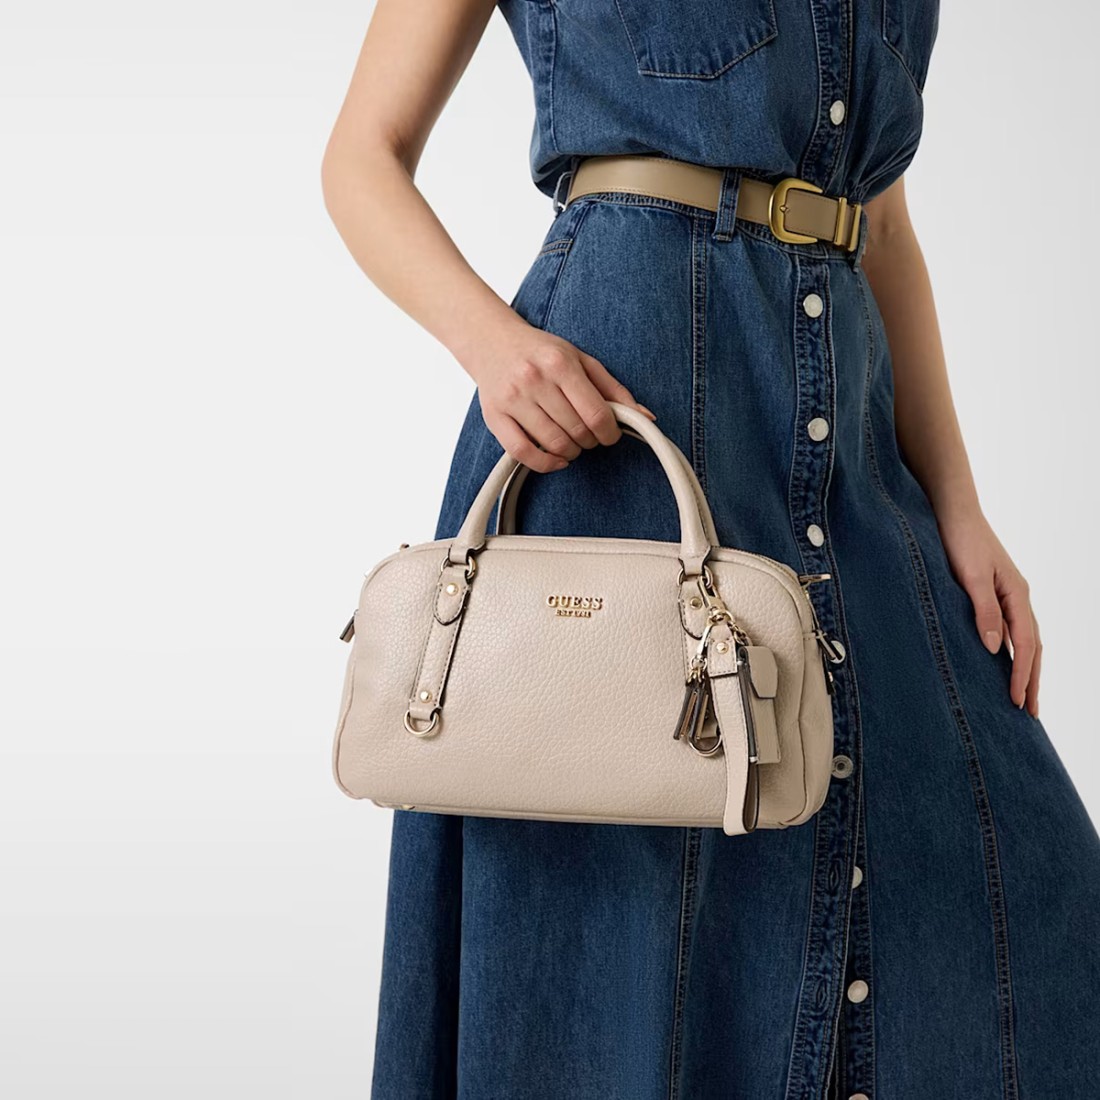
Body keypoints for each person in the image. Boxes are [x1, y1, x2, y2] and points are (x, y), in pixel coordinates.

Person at [320, 1, 1100, 1096]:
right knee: (630, 932)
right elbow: (362, 154)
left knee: (1017, 889)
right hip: (619, 437)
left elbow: (879, 225)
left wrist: (958, 507)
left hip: (854, 454)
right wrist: (492, 345)